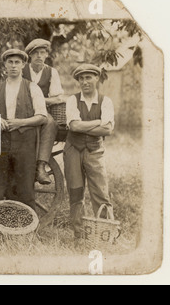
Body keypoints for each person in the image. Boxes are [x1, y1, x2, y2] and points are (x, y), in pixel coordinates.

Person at [0, 49, 48, 211]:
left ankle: (26, 230)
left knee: (25, 189)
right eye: (10, 62)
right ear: (5, 65)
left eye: (17, 63)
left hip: (25, 143)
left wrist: (21, 122)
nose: (13, 66)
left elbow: (42, 116)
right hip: (1, 142)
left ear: (23, 65)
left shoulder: (32, 88)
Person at [63, 63, 115, 240]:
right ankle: (80, 235)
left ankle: (104, 235)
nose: (85, 82)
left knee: (100, 192)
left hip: (95, 151)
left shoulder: (105, 101)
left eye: (89, 77)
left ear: (96, 79)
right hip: (73, 150)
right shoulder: (72, 100)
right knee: (76, 192)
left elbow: (107, 130)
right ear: (78, 81)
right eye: (81, 78)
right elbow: (74, 126)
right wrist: (98, 122)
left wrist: (82, 127)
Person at [23, 38, 65, 185]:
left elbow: (58, 99)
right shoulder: (21, 70)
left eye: (42, 53)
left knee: (50, 123)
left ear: (46, 55)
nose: (39, 56)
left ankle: (41, 166)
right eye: (36, 53)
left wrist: (39, 101)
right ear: (30, 56)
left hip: (41, 111)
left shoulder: (51, 72)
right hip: (20, 111)